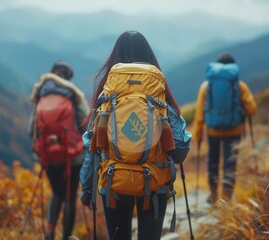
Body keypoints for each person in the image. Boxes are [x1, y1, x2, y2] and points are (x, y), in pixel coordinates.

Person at [79, 30, 191, 240]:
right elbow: (180, 150)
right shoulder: (158, 95)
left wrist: (87, 188)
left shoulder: (106, 95)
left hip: (113, 181)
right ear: (150, 58)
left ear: (114, 58)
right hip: (155, 181)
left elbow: (91, 146)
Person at [27, 61, 90, 240]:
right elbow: (85, 124)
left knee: (56, 192)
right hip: (73, 157)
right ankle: (66, 237)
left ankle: (49, 233)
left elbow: (31, 130)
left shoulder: (40, 95)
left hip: (48, 157)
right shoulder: (72, 94)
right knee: (69, 196)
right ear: (67, 77)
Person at [192, 53, 257, 204]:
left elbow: (200, 114)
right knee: (230, 164)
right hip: (234, 130)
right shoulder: (239, 86)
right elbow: (252, 110)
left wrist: (198, 135)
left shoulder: (206, 86)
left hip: (213, 131)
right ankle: (226, 199)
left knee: (213, 162)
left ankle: (214, 196)